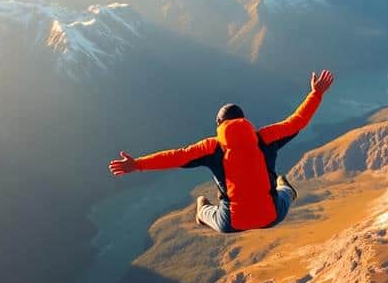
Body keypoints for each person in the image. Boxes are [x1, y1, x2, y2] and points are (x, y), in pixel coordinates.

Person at [109, 70, 334, 233]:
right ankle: (286, 188)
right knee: (284, 193)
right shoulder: (265, 137)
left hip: (231, 223)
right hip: (271, 217)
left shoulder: (212, 147)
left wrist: (136, 164)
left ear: (219, 124)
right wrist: (316, 94)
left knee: (209, 213)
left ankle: (201, 211)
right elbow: (297, 122)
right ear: (244, 121)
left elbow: (174, 156)